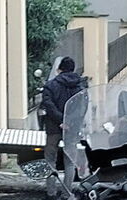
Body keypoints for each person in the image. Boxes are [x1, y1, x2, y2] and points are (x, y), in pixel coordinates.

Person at [41, 57, 87, 199]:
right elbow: (82, 108)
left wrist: (60, 120)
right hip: (72, 129)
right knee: (69, 161)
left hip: (54, 127)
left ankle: (51, 192)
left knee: (50, 160)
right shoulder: (80, 87)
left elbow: (48, 104)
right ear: (73, 69)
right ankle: (67, 193)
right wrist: (71, 122)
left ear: (59, 69)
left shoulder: (51, 85)